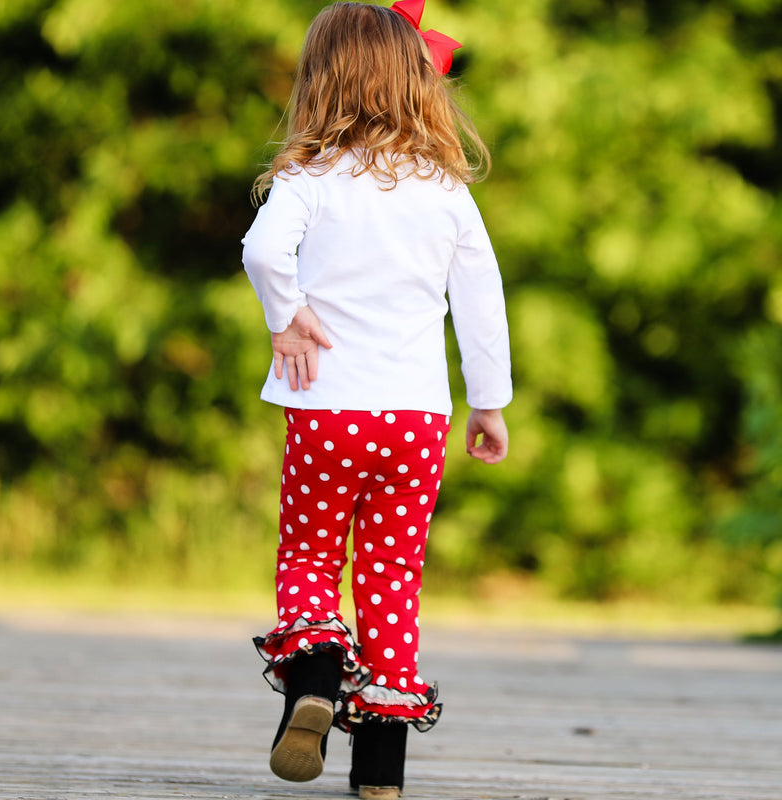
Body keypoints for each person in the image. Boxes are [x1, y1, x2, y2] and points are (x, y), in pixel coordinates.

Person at [241, 2, 512, 797]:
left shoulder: (307, 177)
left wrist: (288, 315)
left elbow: (262, 250)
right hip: (418, 419)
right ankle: (381, 774)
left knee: (311, 557)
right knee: (392, 578)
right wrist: (488, 402)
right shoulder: (444, 188)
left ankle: (316, 685)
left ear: (319, 83)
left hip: (327, 412)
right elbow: (482, 298)